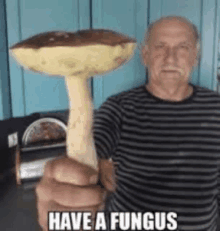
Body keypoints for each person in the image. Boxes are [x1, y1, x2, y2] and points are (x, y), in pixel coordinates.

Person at [36, 16, 220, 231]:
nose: (171, 59)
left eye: (183, 48)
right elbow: (88, 152)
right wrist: (64, 187)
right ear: (145, 55)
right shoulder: (119, 107)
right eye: (160, 47)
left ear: (195, 58)